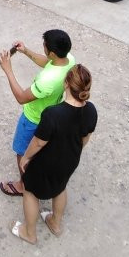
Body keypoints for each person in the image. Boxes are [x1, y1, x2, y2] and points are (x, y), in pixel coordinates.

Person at [10, 64, 97, 244]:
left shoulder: (53, 114)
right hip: (70, 160)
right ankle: (55, 223)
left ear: (66, 84)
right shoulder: (91, 110)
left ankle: (29, 233)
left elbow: (39, 142)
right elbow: (85, 139)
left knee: (30, 191)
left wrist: (25, 158)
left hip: (47, 164)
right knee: (60, 187)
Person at [0, 29, 75, 197]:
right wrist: (26, 51)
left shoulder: (47, 81)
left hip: (33, 118)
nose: (43, 48)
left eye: (44, 46)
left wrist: (8, 70)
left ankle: (22, 186)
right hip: (50, 114)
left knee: (22, 152)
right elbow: (48, 61)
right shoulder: (69, 60)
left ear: (53, 52)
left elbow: (21, 97)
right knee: (40, 150)